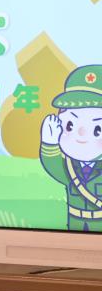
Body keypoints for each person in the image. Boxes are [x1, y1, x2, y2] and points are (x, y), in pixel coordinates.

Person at [39, 64, 102, 231]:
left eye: (97, 130)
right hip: (74, 222)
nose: (81, 135)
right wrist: (49, 142)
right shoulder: (69, 166)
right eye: (70, 125)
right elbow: (54, 165)